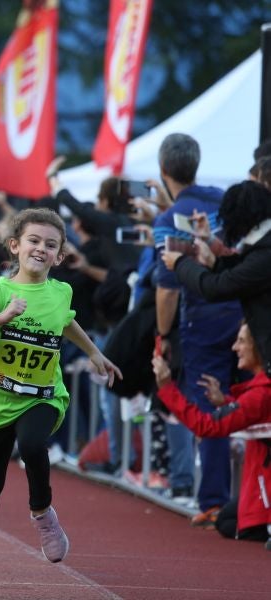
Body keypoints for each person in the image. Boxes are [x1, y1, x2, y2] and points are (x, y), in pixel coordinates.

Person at [0, 208, 122, 598]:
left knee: (34, 445)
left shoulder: (62, 291)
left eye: (51, 244)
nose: (41, 248)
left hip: (43, 395)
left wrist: (93, 352)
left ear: (60, 256)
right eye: (34, 241)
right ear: (15, 247)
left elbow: (65, 320)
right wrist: (2, 317)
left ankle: (42, 512)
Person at [153, 133, 242, 519]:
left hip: (203, 319)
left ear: (163, 170)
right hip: (246, 314)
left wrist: (162, 336)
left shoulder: (168, 220)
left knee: (210, 406)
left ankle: (214, 503)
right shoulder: (225, 199)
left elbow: (167, 289)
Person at [152, 322, 270, 544]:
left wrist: (167, 388)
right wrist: (225, 402)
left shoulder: (261, 394)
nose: (235, 347)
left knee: (230, 523)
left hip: (263, 494)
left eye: (242, 341)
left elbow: (207, 426)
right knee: (226, 519)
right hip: (260, 487)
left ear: (260, 347)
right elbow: (254, 415)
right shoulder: (261, 391)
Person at [162, 181, 271, 379]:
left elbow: (216, 288)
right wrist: (212, 252)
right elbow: (241, 271)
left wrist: (180, 263)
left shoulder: (265, 253)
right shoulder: (263, 245)